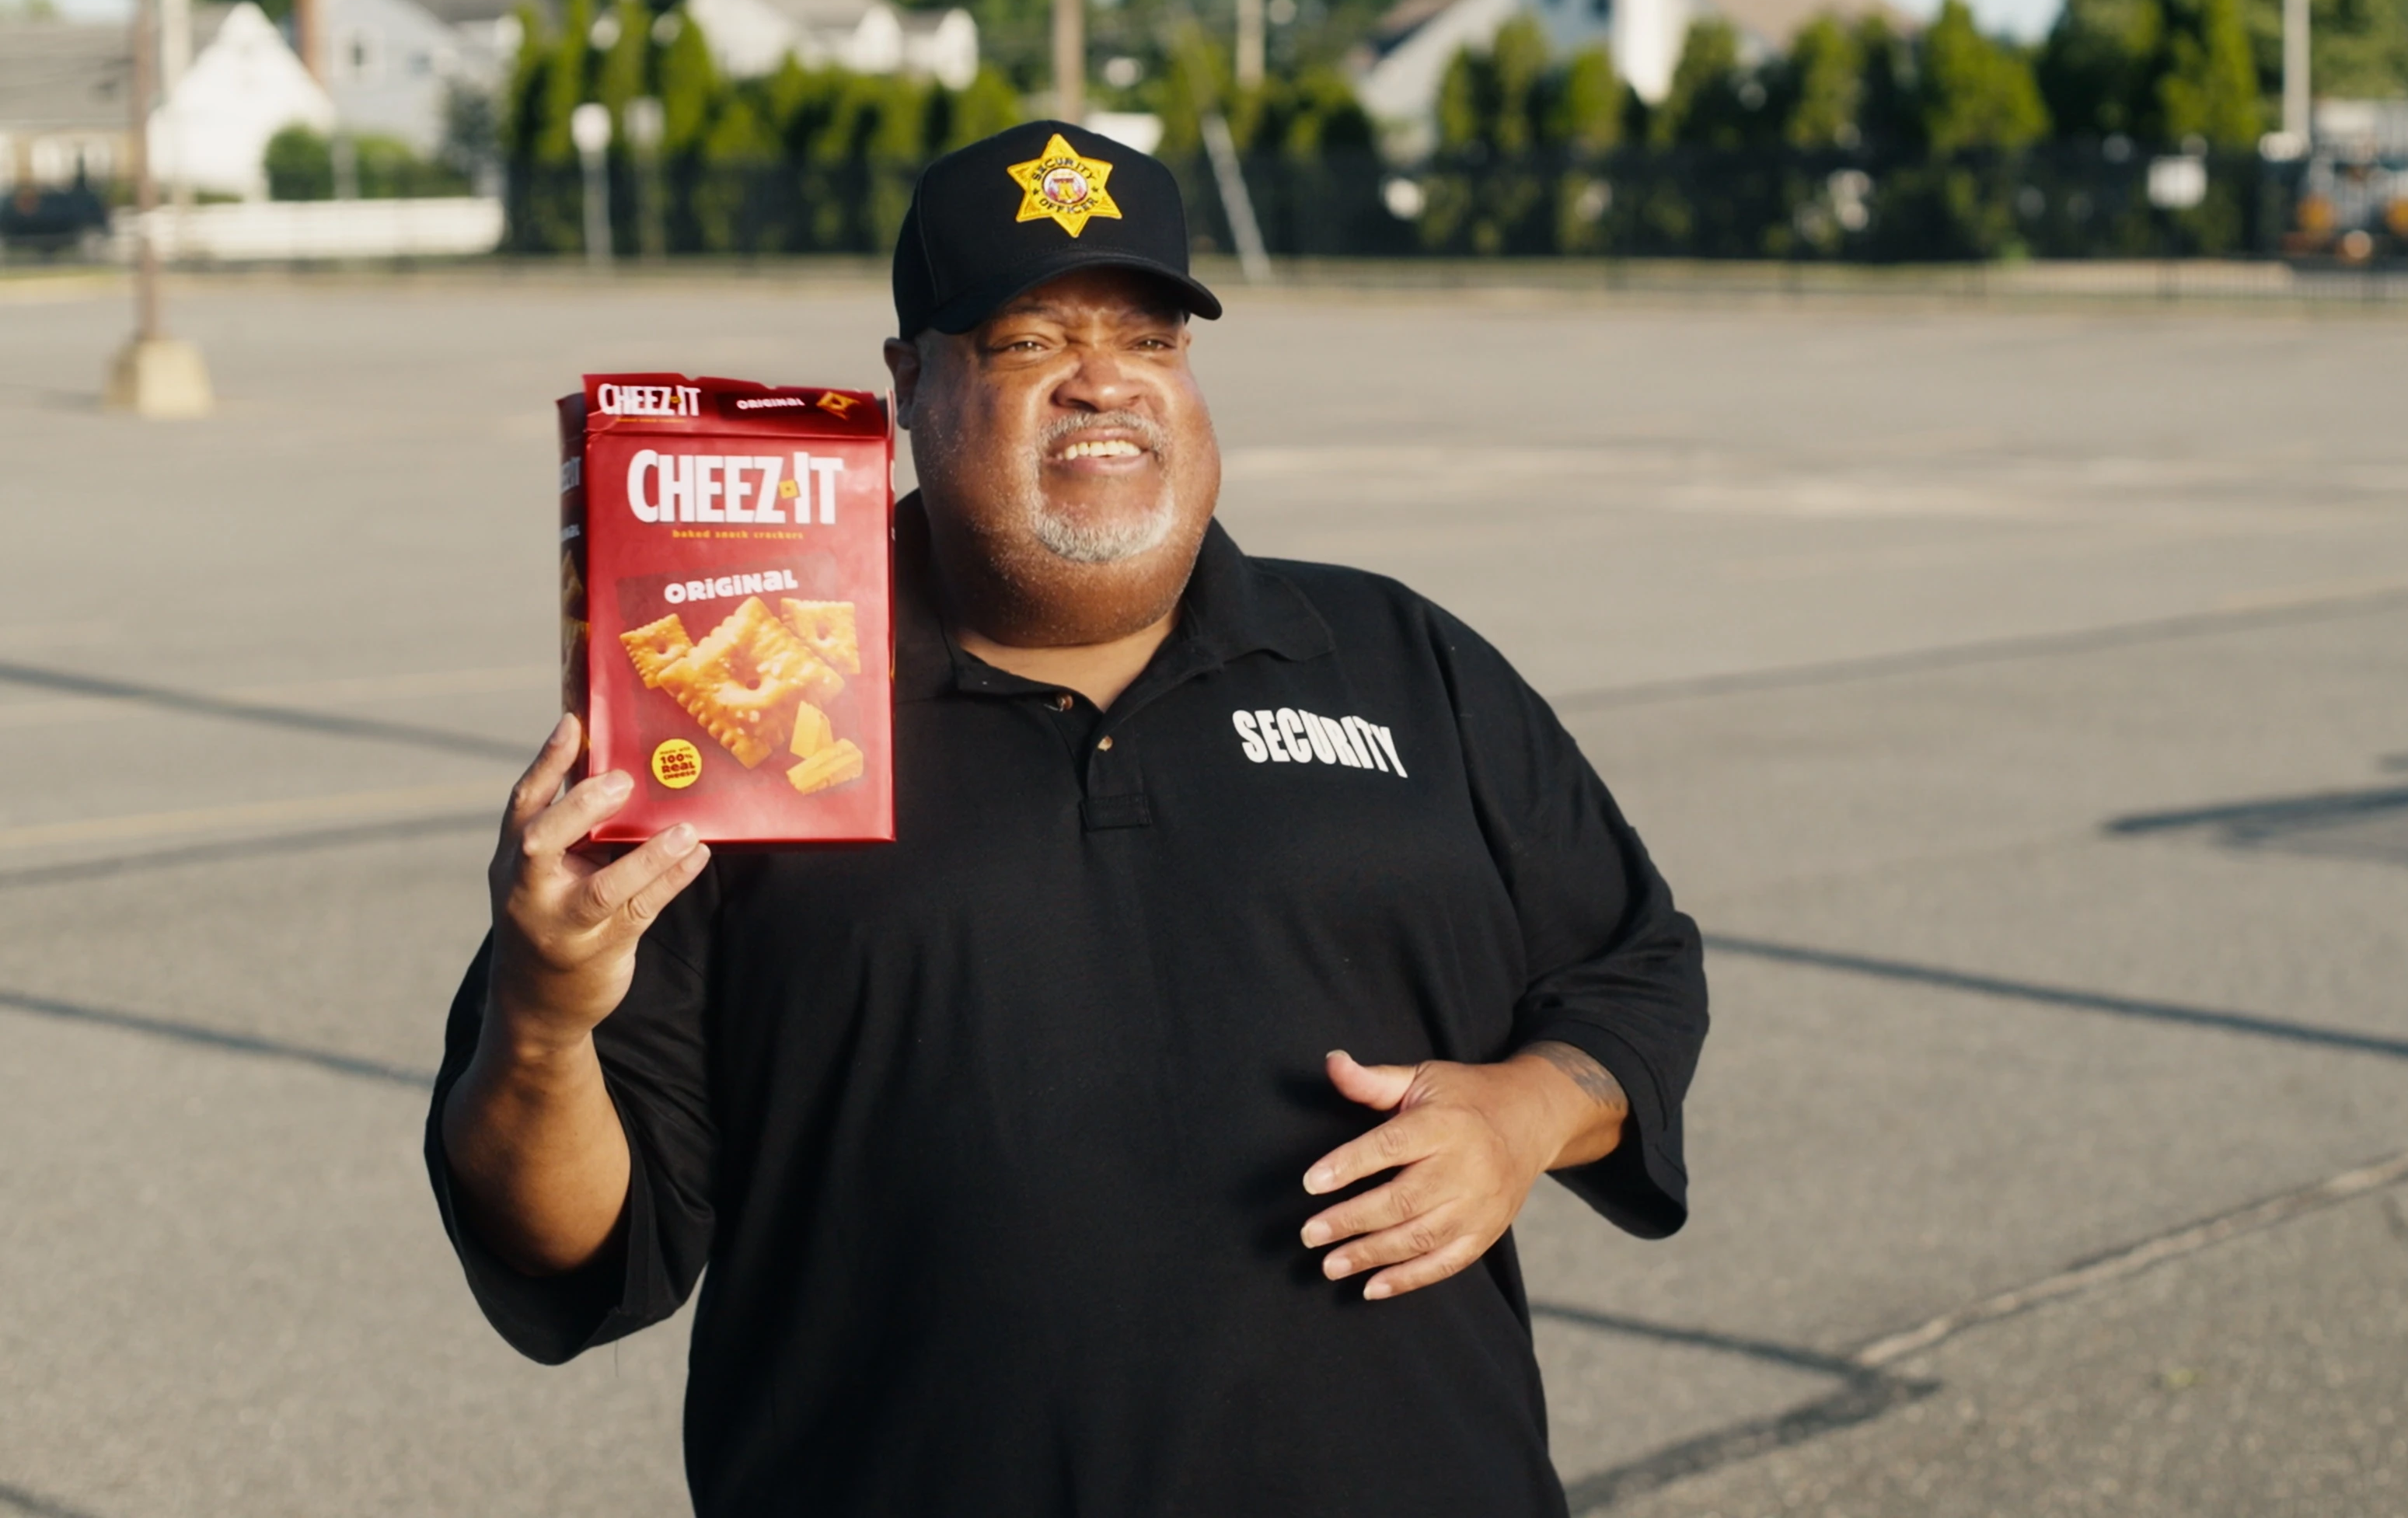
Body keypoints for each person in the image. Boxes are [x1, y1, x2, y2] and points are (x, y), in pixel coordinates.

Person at [427, 120, 1708, 1516]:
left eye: (1150, 339)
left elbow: (1634, 970)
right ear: (909, 384)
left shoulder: (1400, 658)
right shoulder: (741, 720)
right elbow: (575, 1246)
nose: (1105, 378)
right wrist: (542, 1022)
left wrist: (1525, 1116)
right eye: (1028, 341)